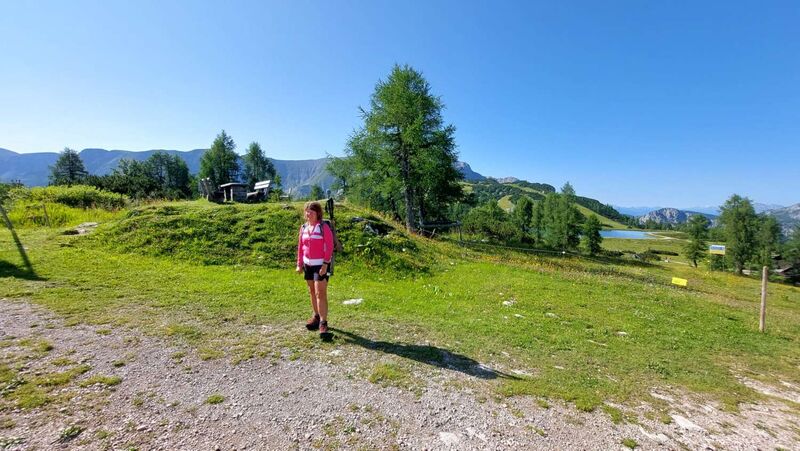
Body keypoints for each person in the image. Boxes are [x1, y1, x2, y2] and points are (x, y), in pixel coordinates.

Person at [296, 201, 334, 336]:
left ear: (318, 213)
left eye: (311, 212)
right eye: (306, 211)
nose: (308, 214)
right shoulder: (304, 227)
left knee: (320, 293)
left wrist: (325, 264)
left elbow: (329, 247)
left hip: (320, 265)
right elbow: (301, 246)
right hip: (308, 265)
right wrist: (299, 264)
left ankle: (323, 323)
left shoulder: (324, 227)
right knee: (312, 291)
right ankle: (316, 317)